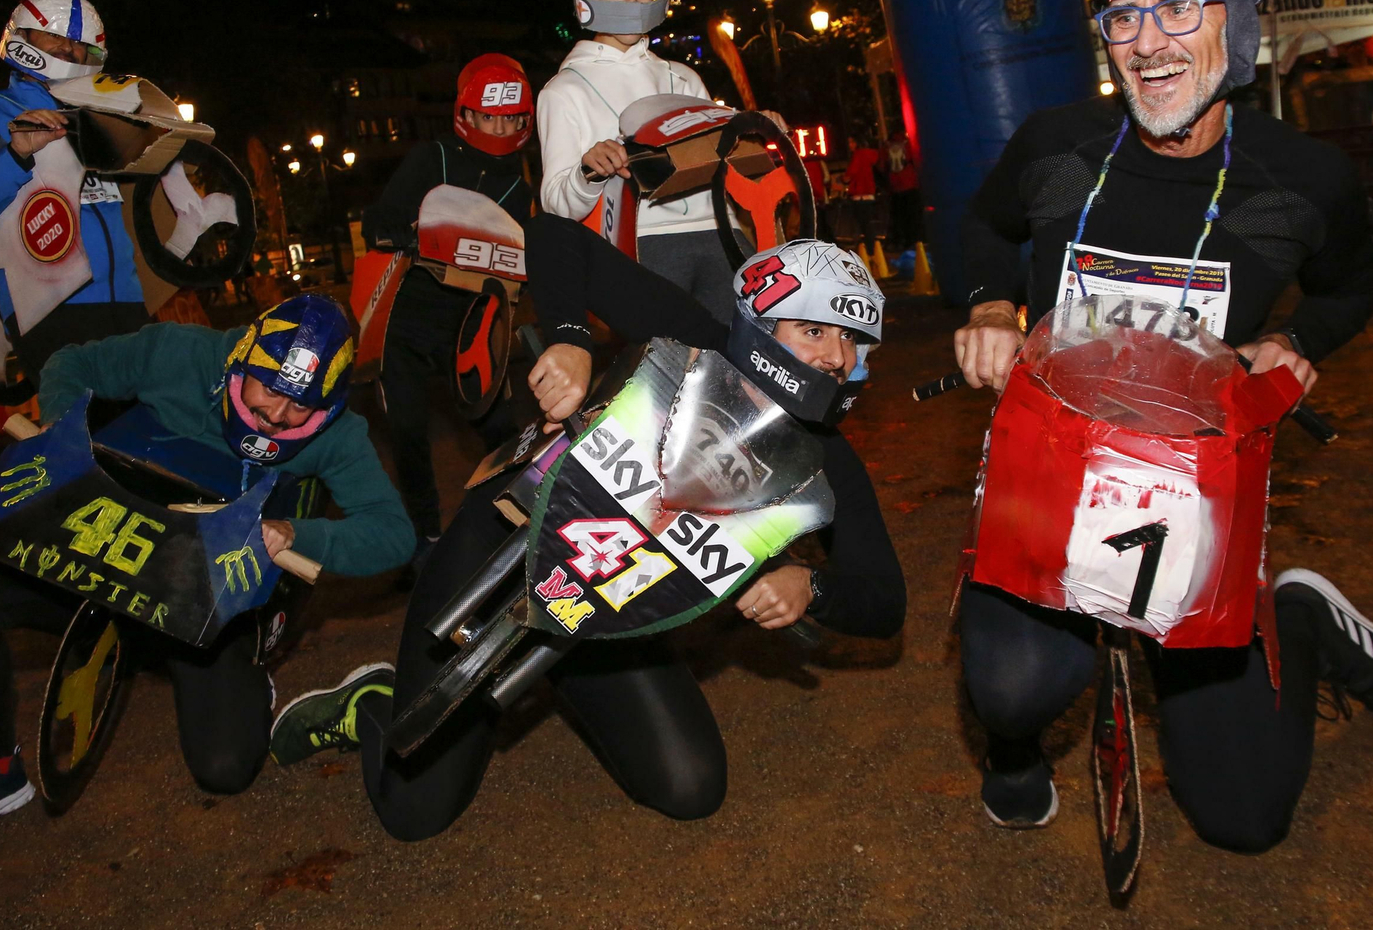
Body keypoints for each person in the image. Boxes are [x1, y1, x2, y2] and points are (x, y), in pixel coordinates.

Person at [951, 0, 1373, 850]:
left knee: (1244, 823)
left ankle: (1300, 615)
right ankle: (1012, 752)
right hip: (1049, 480)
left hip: (1196, 502)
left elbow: (1346, 291)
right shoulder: (1056, 150)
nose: (1148, 41)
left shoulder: (1301, 179)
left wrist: (1299, 343)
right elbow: (983, 233)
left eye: (1181, 7)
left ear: (1242, 19)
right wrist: (993, 304)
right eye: (1123, 16)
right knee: (1013, 685)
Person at [269, 220, 906, 840]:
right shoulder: (694, 342)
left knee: (690, 788)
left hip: (605, 612)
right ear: (763, 324)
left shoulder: (825, 457)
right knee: (415, 813)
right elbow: (556, 237)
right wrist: (570, 339)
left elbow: (885, 599)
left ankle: (545, 680)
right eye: (813, 329)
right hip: (503, 548)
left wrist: (810, 586)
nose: (835, 355)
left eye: (852, 339)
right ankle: (373, 698)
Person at [0, 294, 416, 855]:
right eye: (267, 388)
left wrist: (298, 534)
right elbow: (70, 362)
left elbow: (394, 534)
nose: (275, 415)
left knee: (225, 768)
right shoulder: (179, 352)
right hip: (108, 560)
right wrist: (63, 433)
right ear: (241, 357)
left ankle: (247, 668)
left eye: (300, 407)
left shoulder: (338, 434)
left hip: (204, 602)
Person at [359, 54, 535, 563]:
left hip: (470, 323)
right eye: (489, 116)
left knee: (500, 429)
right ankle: (423, 540)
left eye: (509, 117)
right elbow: (381, 218)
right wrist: (404, 233)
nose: (498, 126)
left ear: (523, 120)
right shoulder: (430, 158)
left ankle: (524, 520)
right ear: (468, 114)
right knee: (408, 433)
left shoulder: (518, 187)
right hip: (406, 318)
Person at [0, 0, 149, 376]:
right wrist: (16, 154)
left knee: (141, 432)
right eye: (54, 35)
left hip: (128, 302)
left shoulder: (104, 117)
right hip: (50, 309)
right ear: (23, 37)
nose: (69, 49)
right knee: (83, 434)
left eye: (79, 43)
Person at [536, 0, 738, 323]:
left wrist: (752, 132)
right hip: (644, 248)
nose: (631, 3)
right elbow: (555, 203)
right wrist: (587, 172)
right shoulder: (564, 90)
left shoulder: (683, 77)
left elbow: (725, 168)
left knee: (742, 372)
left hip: (724, 240)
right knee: (662, 377)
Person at [881, 130, 921, 250]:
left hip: (895, 187)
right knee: (912, 215)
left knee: (898, 216)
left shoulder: (886, 148)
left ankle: (900, 242)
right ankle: (914, 240)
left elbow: (882, 166)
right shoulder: (908, 145)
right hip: (911, 184)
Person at [843, 133, 882, 245]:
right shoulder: (872, 154)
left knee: (863, 222)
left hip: (859, 194)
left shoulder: (857, 156)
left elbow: (850, 174)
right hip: (870, 192)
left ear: (856, 143)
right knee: (868, 221)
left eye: (851, 142)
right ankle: (873, 245)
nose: (849, 145)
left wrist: (843, 178)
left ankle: (869, 246)